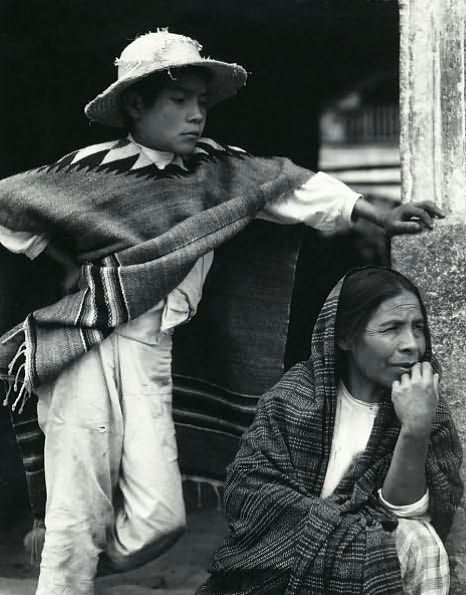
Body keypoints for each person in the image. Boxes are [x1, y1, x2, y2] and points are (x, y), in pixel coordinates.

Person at [0, 31, 445, 595]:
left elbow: (292, 187)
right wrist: (67, 262)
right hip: (86, 342)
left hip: (154, 349)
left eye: (201, 103)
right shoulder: (90, 168)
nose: (195, 115)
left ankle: (65, 565)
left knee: (161, 521)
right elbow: (12, 207)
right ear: (136, 104)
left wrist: (373, 212)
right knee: (79, 508)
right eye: (179, 100)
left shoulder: (218, 170)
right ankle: (64, 570)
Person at [198, 266, 463, 595]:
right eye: (392, 328)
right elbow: (249, 496)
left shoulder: (427, 408)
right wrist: (346, 534)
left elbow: (413, 516)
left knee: (421, 542)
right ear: (345, 337)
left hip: (376, 568)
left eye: (418, 328)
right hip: (281, 570)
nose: (411, 344)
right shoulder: (291, 402)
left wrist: (414, 429)